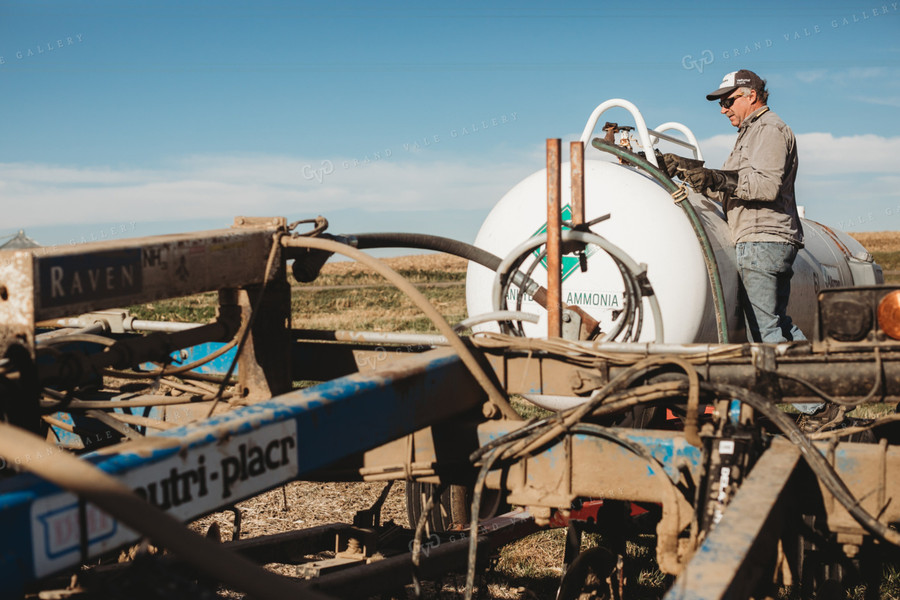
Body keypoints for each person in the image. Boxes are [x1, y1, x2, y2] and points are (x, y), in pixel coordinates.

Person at [662, 69, 833, 425]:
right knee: (779, 325)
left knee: (765, 331)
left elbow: (765, 186)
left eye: (728, 100)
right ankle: (826, 390)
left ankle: (817, 408)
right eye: (721, 103)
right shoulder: (750, 134)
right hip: (766, 238)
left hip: (762, 238)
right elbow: (730, 188)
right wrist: (689, 172)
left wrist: (716, 177)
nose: (723, 109)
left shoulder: (769, 130)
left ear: (751, 94)